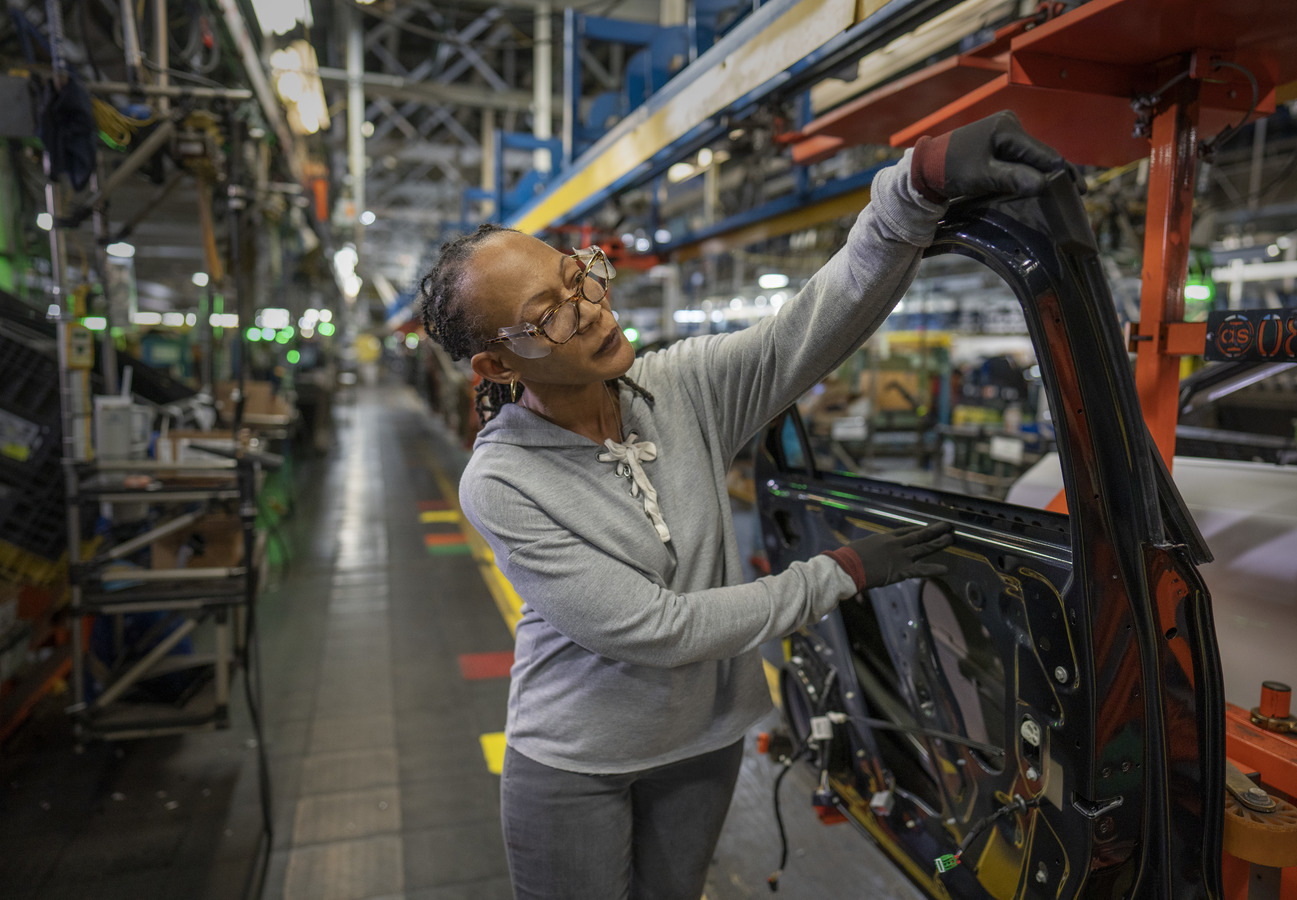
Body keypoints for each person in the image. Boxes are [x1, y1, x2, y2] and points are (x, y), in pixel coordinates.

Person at [418, 110, 1067, 900]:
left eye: (578, 273)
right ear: (494, 363)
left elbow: (811, 326)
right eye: (549, 314)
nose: (590, 306)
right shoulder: (503, 481)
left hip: (704, 738)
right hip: (577, 759)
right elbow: (655, 629)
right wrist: (840, 572)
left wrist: (916, 182)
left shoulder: (679, 388)